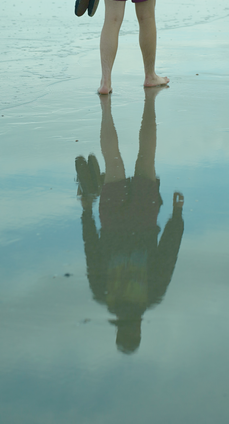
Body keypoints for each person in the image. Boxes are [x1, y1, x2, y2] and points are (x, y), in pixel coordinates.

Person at [76, 87, 185, 354]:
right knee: (113, 161)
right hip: (112, 219)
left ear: (136, 329)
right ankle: (106, 113)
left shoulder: (151, 295)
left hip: (143, 216)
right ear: (118, 331)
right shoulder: (103, 295)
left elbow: (168, 254)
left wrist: (177, 217)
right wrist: (88, 212)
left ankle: (117, 111)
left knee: (146, 157)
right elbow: (92, 251)